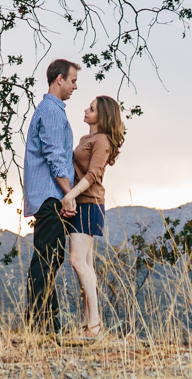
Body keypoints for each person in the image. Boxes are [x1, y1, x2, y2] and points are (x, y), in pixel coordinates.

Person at [21, 58, 79, 333]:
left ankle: (47, 323)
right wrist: (69, 194)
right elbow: (55, 157)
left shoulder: (50, 110)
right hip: (51, 198)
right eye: (72, 80)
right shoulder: (52, 112)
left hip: (49, 197)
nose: (74, 87)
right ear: (59, 79)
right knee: (46, 259)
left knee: (49, 259)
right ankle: (41, 325)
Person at [64, 95, 125, 339]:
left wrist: (70, 195)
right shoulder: (85, 139)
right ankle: (87, 325)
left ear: (103, 115)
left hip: (89, 204)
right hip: (80, 203)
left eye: (92, 109)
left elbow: (93, 175)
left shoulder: (102, 141)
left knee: (78, 262)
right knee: (85, 265)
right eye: (88, 107)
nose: (86, 111)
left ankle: (95, 325)